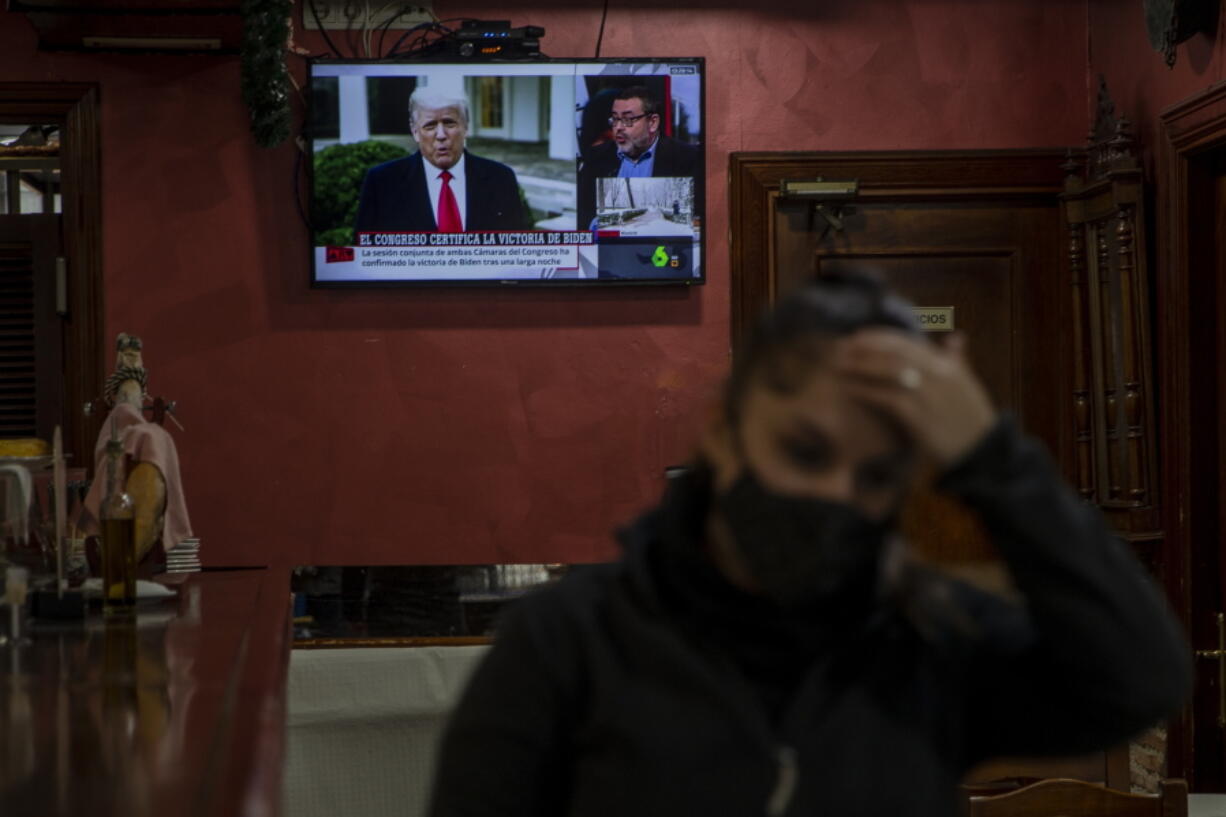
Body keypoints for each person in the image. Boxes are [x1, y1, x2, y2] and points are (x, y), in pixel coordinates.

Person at [428, 274, 1192, 817]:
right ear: (725, 435)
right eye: (803, 451)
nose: (834, 492)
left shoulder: (929, 637)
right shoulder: (567, 639)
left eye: (874, 476)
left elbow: (1140, 679)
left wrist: (992, 456)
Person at [354, 89, 531, 234]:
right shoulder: (382, 182)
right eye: (430, 126)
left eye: (449, 123)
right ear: (415, 131)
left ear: (466, 127)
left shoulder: (500, 178)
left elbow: (512, 251)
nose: (441, 135)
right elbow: (366, 257)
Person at [576, 85, 702, 230]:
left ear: (652, 122)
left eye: (628, 119)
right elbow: (583, 214)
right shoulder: (597, 156)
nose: (618, 127)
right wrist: (599, 226)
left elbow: (694, 220)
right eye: (615, 120)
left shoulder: (686, 158)